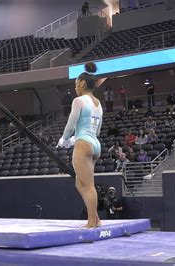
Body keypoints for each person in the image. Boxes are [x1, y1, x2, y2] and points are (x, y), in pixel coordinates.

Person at [57, 62, 103, 228]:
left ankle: (92, 222)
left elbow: (71, 123)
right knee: (80, 183)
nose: (75, 87)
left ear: (82, 83)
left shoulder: (78, 100)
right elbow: (96, 130)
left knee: (88, 185)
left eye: (76, 84)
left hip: (84, 143)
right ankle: (95, 217)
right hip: (95, 144)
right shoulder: (98, 103)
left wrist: (64, 139)